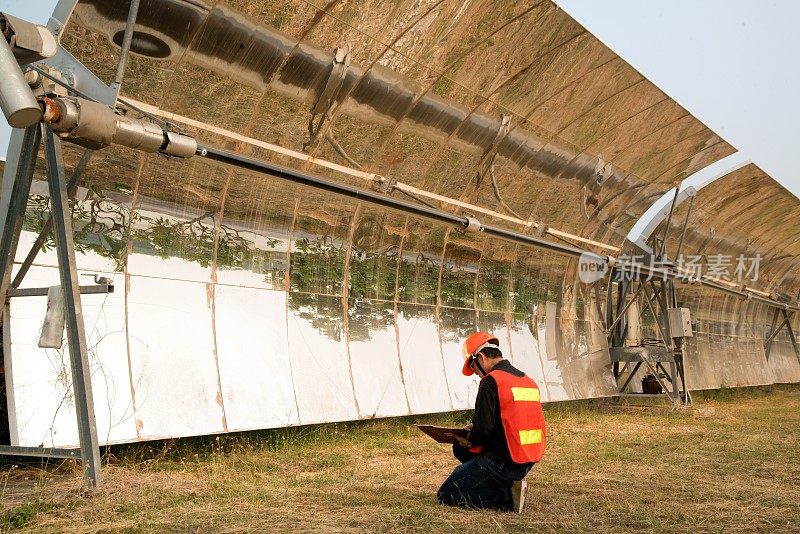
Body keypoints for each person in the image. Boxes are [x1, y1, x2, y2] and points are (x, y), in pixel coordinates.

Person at [437, 331, 547, 513]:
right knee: (463, 455)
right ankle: (506, 483)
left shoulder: (490, 382)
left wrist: (467, 436)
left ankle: (506, 496)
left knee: (446, 494)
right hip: (526, 462)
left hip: (502, 463)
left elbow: (482, 433)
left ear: (480, 357)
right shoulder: (528, 381)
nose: (476, 374)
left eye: (473, 368)